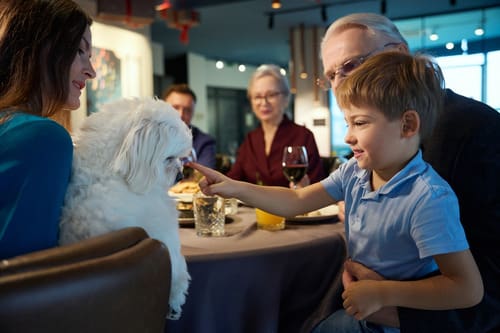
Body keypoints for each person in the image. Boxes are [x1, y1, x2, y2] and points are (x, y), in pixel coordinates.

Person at [189, 52, 483, 332]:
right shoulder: (355, 173)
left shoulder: (428, 198)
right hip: (361, 306)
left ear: (407, 125)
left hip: (389, 321)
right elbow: (297, 200)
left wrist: (382, 292)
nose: (348, 136)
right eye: (347, 122)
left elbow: (467, 288)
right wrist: (233, 188)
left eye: (360, 122)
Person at [318, 13, 500, 332]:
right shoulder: (375, 134)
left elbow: (492, 269)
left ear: (400, 53)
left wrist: (392, 307)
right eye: (331, 74)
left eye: (352, 64)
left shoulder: (475, 128)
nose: (340, 81)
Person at [0, 0, 96, 259]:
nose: (91, 71)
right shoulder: (43, 137)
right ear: (42, 50)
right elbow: (28, 266)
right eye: (79, 51)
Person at [227, 64, 325, 187]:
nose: (264, 102)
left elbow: (318, 185)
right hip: (254, 207)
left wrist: (305, 187)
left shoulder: (303, 136)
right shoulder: (251, 139)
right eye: (257, 96)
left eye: (271, 95)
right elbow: (234, 179)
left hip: (293, 206)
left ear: (286, 98)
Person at [163, 84, 216, 169]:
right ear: (163, 108)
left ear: (193, 112)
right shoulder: (150, 137)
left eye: (188, 110)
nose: (180, 114)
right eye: (175, 107)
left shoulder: (204, 142)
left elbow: (204, 176)